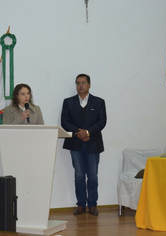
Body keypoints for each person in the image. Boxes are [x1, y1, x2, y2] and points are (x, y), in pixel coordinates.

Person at [61, 73, 107, 216]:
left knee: (93, 175)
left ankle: (92, 205)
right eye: (78, 83)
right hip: (75, 143)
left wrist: (87, 133)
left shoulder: (99, 102)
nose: (81, 85)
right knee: (79, 175)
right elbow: (65, 122)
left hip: (93, 143)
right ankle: (81, 204)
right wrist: (79, 133)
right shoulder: (68, 102)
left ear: (89, 85)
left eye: (83, 82)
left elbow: (102, 121)